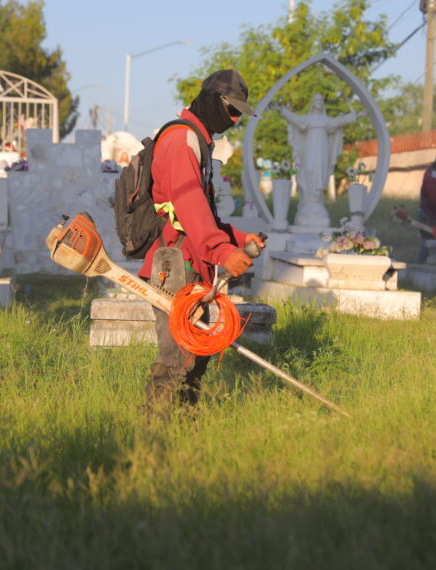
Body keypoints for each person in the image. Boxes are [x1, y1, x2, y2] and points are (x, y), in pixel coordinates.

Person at [136, 69, 264, 416]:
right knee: (177, 357)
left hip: (191, 260)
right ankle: (151, 436)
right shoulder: (181, 142)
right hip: (175, 265)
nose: (235, 119)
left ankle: (185, 429)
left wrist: (237, 238)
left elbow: (201, 212)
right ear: (211, 100)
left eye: (240, 113)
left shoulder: (196, 139)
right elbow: (189, 205)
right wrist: (223, 250)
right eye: (231, 110)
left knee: (195, 355)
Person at [271, 94, 360, 227]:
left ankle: (316, 201)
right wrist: (282, 110)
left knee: (320, 173)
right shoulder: (308, 119)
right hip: (310, 149)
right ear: (313, 103)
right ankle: (308, 202)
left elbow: (339, 121)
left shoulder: (325, 119)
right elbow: (295, 119)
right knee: (310, 170)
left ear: (322, 104)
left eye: (320, 100)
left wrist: (355, 115)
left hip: (322, 151)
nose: (318, 102)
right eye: (316, 100)